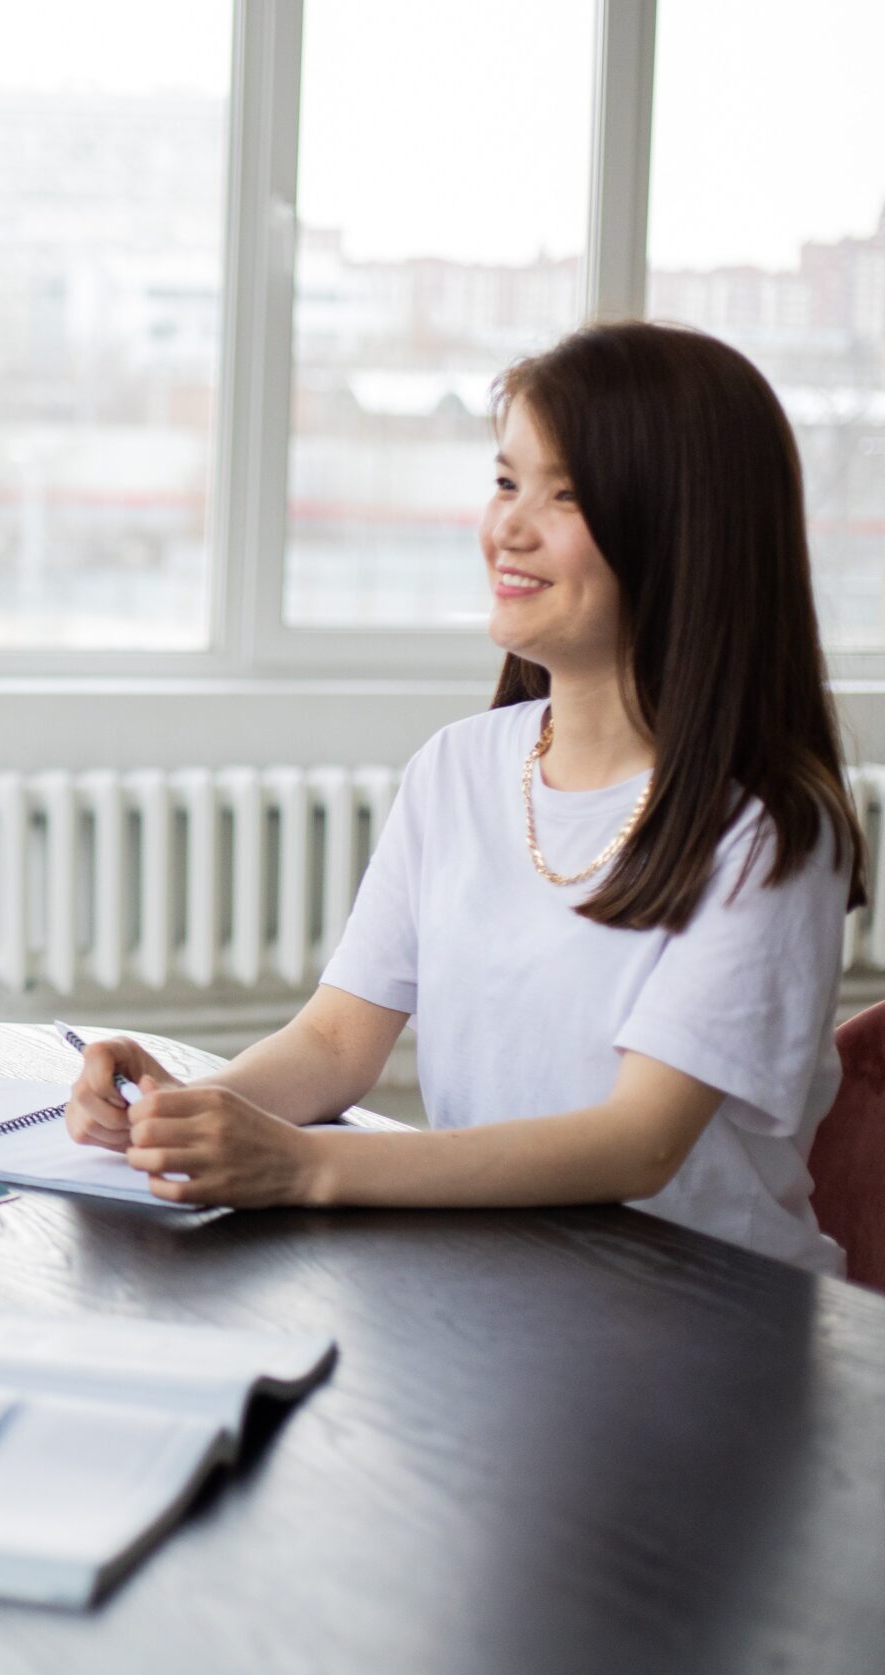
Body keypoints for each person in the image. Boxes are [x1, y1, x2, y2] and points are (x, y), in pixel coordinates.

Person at [66, 321, 867, 1275]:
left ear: (685, 533)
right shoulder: (455, 769)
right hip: (500, 1285)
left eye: (563, 492)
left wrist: (308, 1165)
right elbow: (332, 1042)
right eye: (505, 481)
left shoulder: (770, 830)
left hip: (708, 1323)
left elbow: (638, 1142)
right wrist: (188, 1116)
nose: (508, 527)